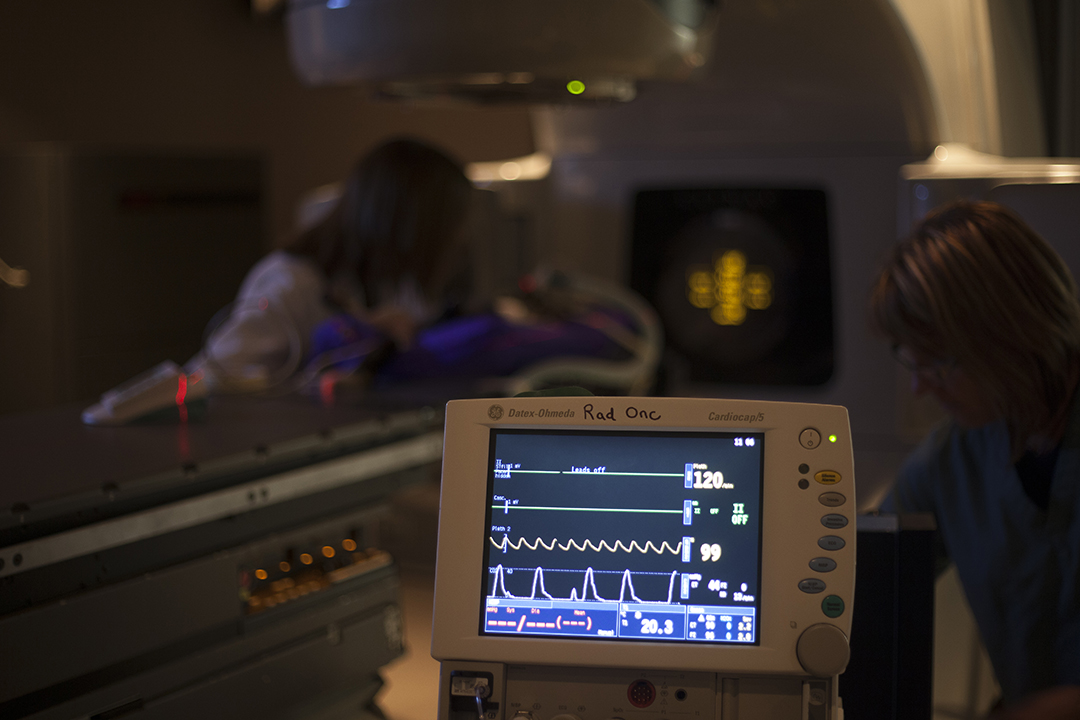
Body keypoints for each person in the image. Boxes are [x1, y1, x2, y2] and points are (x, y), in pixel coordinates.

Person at [870, 199, 1080, 719]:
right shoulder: (953, 462)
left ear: (1008, 335)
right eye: (911, 360)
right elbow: (865, 575)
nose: (920, 387)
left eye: (937, 362)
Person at [194, 137, 475, 390]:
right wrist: (314, 380)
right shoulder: (292, 283)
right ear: (406, 225)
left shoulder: (382, 282)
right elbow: (212, 381)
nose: (457, 240)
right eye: (447, 227)